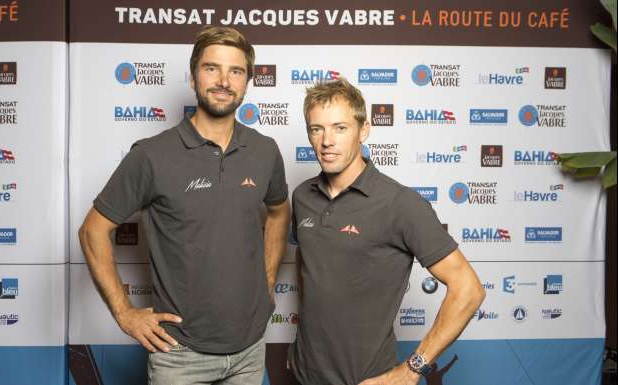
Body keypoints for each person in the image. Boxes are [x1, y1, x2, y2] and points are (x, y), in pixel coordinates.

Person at [79, 26, 290, 385]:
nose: (223, 80)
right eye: (211, 68)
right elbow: (92, 230)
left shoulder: (265, 151)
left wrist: (267, 282)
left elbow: (279, 211)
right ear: (193, 77)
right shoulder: (151, 155)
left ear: (247, 81)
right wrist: (125, 314)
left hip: (250, 349)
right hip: (179, 356)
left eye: (235, 71)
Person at [288, 78, 485, 385]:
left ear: (363, 130)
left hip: (367, 379)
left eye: (340, 128)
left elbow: (469, 289)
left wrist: (411, 370)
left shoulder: (399, 203)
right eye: (317, 129)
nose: (327, 140)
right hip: (303, 376)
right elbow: (309, 265)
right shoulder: (302, 196)